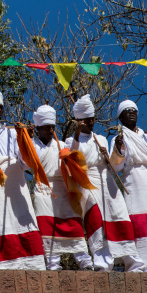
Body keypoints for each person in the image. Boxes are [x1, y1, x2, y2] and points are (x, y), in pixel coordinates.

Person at [64, 94, 144, 272]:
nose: (91, 123)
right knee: (96, 220)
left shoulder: (100, 138)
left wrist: (115, 149)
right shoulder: (71, 141)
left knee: (119, 217)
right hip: (88, 182)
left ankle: (133, 263)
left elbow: (114, 162)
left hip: (107, 181)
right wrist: (77, 133)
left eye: (92, 119)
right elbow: (73, 159)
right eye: (87, 120)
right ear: (80, 121)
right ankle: (102, 264)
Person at [0, 90, 46, 270]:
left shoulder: (14, 132)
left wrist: (27, 140)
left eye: (0, 106)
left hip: (16, 178)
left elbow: (24, 163)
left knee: (23, 215)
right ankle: (6, 261)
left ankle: (32, 262)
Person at [31, 104, 93, 270]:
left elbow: (75, 153)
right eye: (46, 128)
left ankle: (84, 260)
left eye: (52, 127)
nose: (50, 130)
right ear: (38, 128)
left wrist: (77, 133)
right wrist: (25, 139)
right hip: (43, 188)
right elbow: (25, 163)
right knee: (47, 225)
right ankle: (52, 262)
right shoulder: (32, 145)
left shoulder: (61, 144)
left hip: (63, 186)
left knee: (73, 223)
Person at [110, 100, 147, 271]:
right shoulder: (117, 138)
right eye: (127, 111)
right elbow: (115, 166)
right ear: (121, 117)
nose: (131, 113)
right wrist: (119, 149)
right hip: (133, 182)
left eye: (134, 110)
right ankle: (139, 265)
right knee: (137, 223)